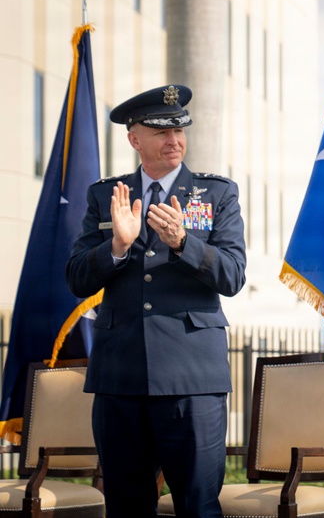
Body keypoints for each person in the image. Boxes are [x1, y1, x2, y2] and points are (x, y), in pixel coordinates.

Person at [66, 85, 246, 518]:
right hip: (120, 377)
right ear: (134, 139)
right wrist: (117, 248)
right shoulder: (105, 195)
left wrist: (184, 243)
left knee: (197, 507)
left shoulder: (216, 193)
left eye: (180, 129)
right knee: (127, 506)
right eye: (161, 131)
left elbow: (234, 276)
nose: (175, 140)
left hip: (191, 380)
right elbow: (76, 278)